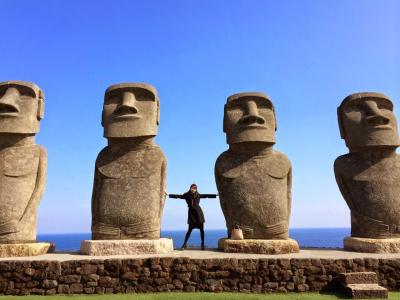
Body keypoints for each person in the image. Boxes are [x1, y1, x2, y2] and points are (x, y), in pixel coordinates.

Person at [169, 184, 217, 250]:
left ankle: (202, 244)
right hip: (191, 214)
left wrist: (215, 195)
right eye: (192, 188)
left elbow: (206, 196)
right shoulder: (186, 195)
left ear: (196, 189)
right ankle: (184, 244)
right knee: (189, 230)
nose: (193, 189)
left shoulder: (198, 195)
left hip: (199, 214)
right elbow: (179, 196)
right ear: (190, 188)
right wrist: (169, 195)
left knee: (201, 230)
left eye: (194, 188)